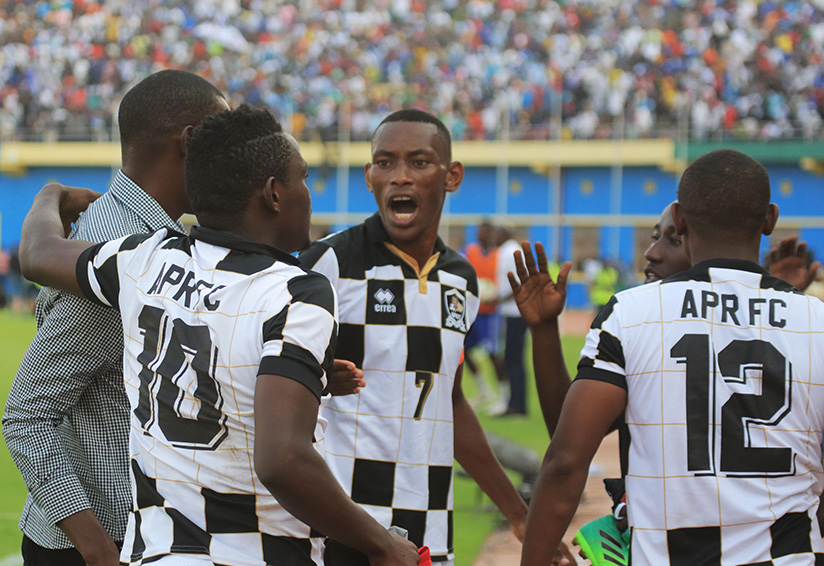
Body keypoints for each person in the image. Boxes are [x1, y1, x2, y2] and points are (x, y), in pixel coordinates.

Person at [15, 105, 420, 566]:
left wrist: (47, 199)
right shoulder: (297, 292)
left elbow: (36, 253)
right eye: (302, 178)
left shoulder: (144, 259)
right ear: (273, 194)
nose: (309, 193)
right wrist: (382, 543)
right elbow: (282, 460)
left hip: (158, 554)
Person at [519, 149, 824, 566]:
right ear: (770, 219)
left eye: (669, 236)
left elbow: (565, 461)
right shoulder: (816, 320)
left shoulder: (630, 312)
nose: (652, 253)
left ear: (680, 218)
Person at [2, 70, 230, 566]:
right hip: (95, 541)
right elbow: (28, 414)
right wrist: (99, 549)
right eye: (221, 136)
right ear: (190, 142)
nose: (231, 156)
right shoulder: (122, 248)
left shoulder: (143, 232)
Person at [298, 109, 530, 565]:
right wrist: (321, 376)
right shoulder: (327, 264)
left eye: (419, 162)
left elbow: (451, 400)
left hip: (429, 531)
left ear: (452, 176)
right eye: (385, 163)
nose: (400, 177)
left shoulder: (460, 278)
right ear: (369, 176)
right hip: (339, 532)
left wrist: (517, 512)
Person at [462, 220, 508, 411]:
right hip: (471, 311)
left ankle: (504, 397)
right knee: (463, 351)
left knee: (493, 354)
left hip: (491, 313)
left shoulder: (499, 254)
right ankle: (483, 389)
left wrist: (495, 296)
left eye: (485, 231)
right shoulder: (470, 251)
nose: (481, 234)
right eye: (479, 230)